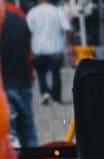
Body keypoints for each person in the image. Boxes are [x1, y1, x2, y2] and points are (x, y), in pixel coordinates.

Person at [1, 2, 38, 149]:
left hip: (3, 87)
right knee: (28, 133)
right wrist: (30, 76)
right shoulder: (20, 15)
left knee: (8, 139)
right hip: (22, 83)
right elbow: (29, 53)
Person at [25, 0, 70, 105]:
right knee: (55, 73)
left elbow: (28, 31)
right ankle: (56, 98)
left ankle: (45, 93)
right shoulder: (57, 11)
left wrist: (29, 49)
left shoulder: (32, 12)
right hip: (56, 48)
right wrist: (68, 45)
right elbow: (67, 29)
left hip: (38, 48)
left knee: (40, 73)